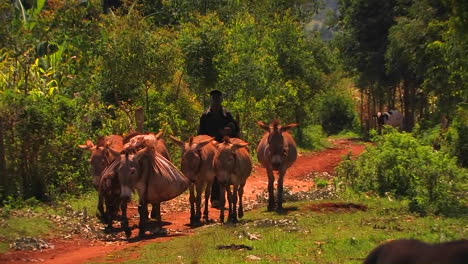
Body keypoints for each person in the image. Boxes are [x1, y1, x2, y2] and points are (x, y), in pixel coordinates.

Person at [198, 90, 240, 208]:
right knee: (214, 173)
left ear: (221, 100)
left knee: (227, 170)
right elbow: (200, 133)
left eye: (218, 99)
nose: (216, 101)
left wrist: (228, 130)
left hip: (225, 146)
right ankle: (216, 198)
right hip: (211, 147)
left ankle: (231, 194)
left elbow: (235, 129)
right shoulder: (205, 116)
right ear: (211, 101)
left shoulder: (227, 114)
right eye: (213, 99)